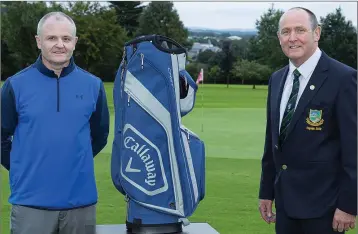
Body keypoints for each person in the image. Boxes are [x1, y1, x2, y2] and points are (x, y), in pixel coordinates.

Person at [1, 11, 110, 234]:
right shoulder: (15, 85)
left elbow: (99, 136)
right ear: (39, 41)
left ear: (74, 42)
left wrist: (73, 163)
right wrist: (23, 168)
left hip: (81, 205)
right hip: (30, 205)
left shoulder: (93, 85)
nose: (59, 44)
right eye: (51, 38)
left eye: (66, 38)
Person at [258, 7, 357, 234]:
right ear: (279, 38)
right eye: (286, 32)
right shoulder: (277, 79)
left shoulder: (343, 79)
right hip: (285, 208)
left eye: (300, 30)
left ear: (317, 33)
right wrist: (266, 192)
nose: (292, 38)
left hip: (326, 210)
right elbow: (272, 141)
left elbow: (354, 149)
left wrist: (349, 205)